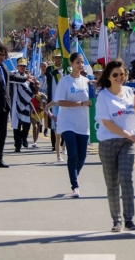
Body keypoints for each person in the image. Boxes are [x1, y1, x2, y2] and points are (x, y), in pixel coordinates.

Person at [95, 60, 135, 232]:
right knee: (112, 184)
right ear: (108, 76)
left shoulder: (130, 91)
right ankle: (117, 220)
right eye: (115, 75)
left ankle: (129, 219)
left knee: (126, 179)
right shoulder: (104, 96)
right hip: (108, 142)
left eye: (122, 74)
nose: (119, 78)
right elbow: (107, 123)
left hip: (127, 143)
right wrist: (129, 135)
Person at [54, 53, 92, 198]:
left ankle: (74, 174)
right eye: (77, 62)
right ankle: (75, 185)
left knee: (82, 156)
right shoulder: (65, 81)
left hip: (82, 123)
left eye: (82, 62)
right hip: (67, 122)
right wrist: (80, 104)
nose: (80, 65)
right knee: (73, 153)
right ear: (71, 64)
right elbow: (61, 102)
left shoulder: (87, 81)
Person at [8, 57, 36, 152]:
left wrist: (35, 85)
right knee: (17, 125)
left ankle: (24, 138)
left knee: (27, 125)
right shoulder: (14, 75)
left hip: (26, 104)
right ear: (17, 66)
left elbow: (32, 90)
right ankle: (17, 145)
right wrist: (25, 79)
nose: (22, 68)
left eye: (24, 66)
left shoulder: (29, 77)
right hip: (15, 103)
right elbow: (13, 81)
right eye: (21, 66)